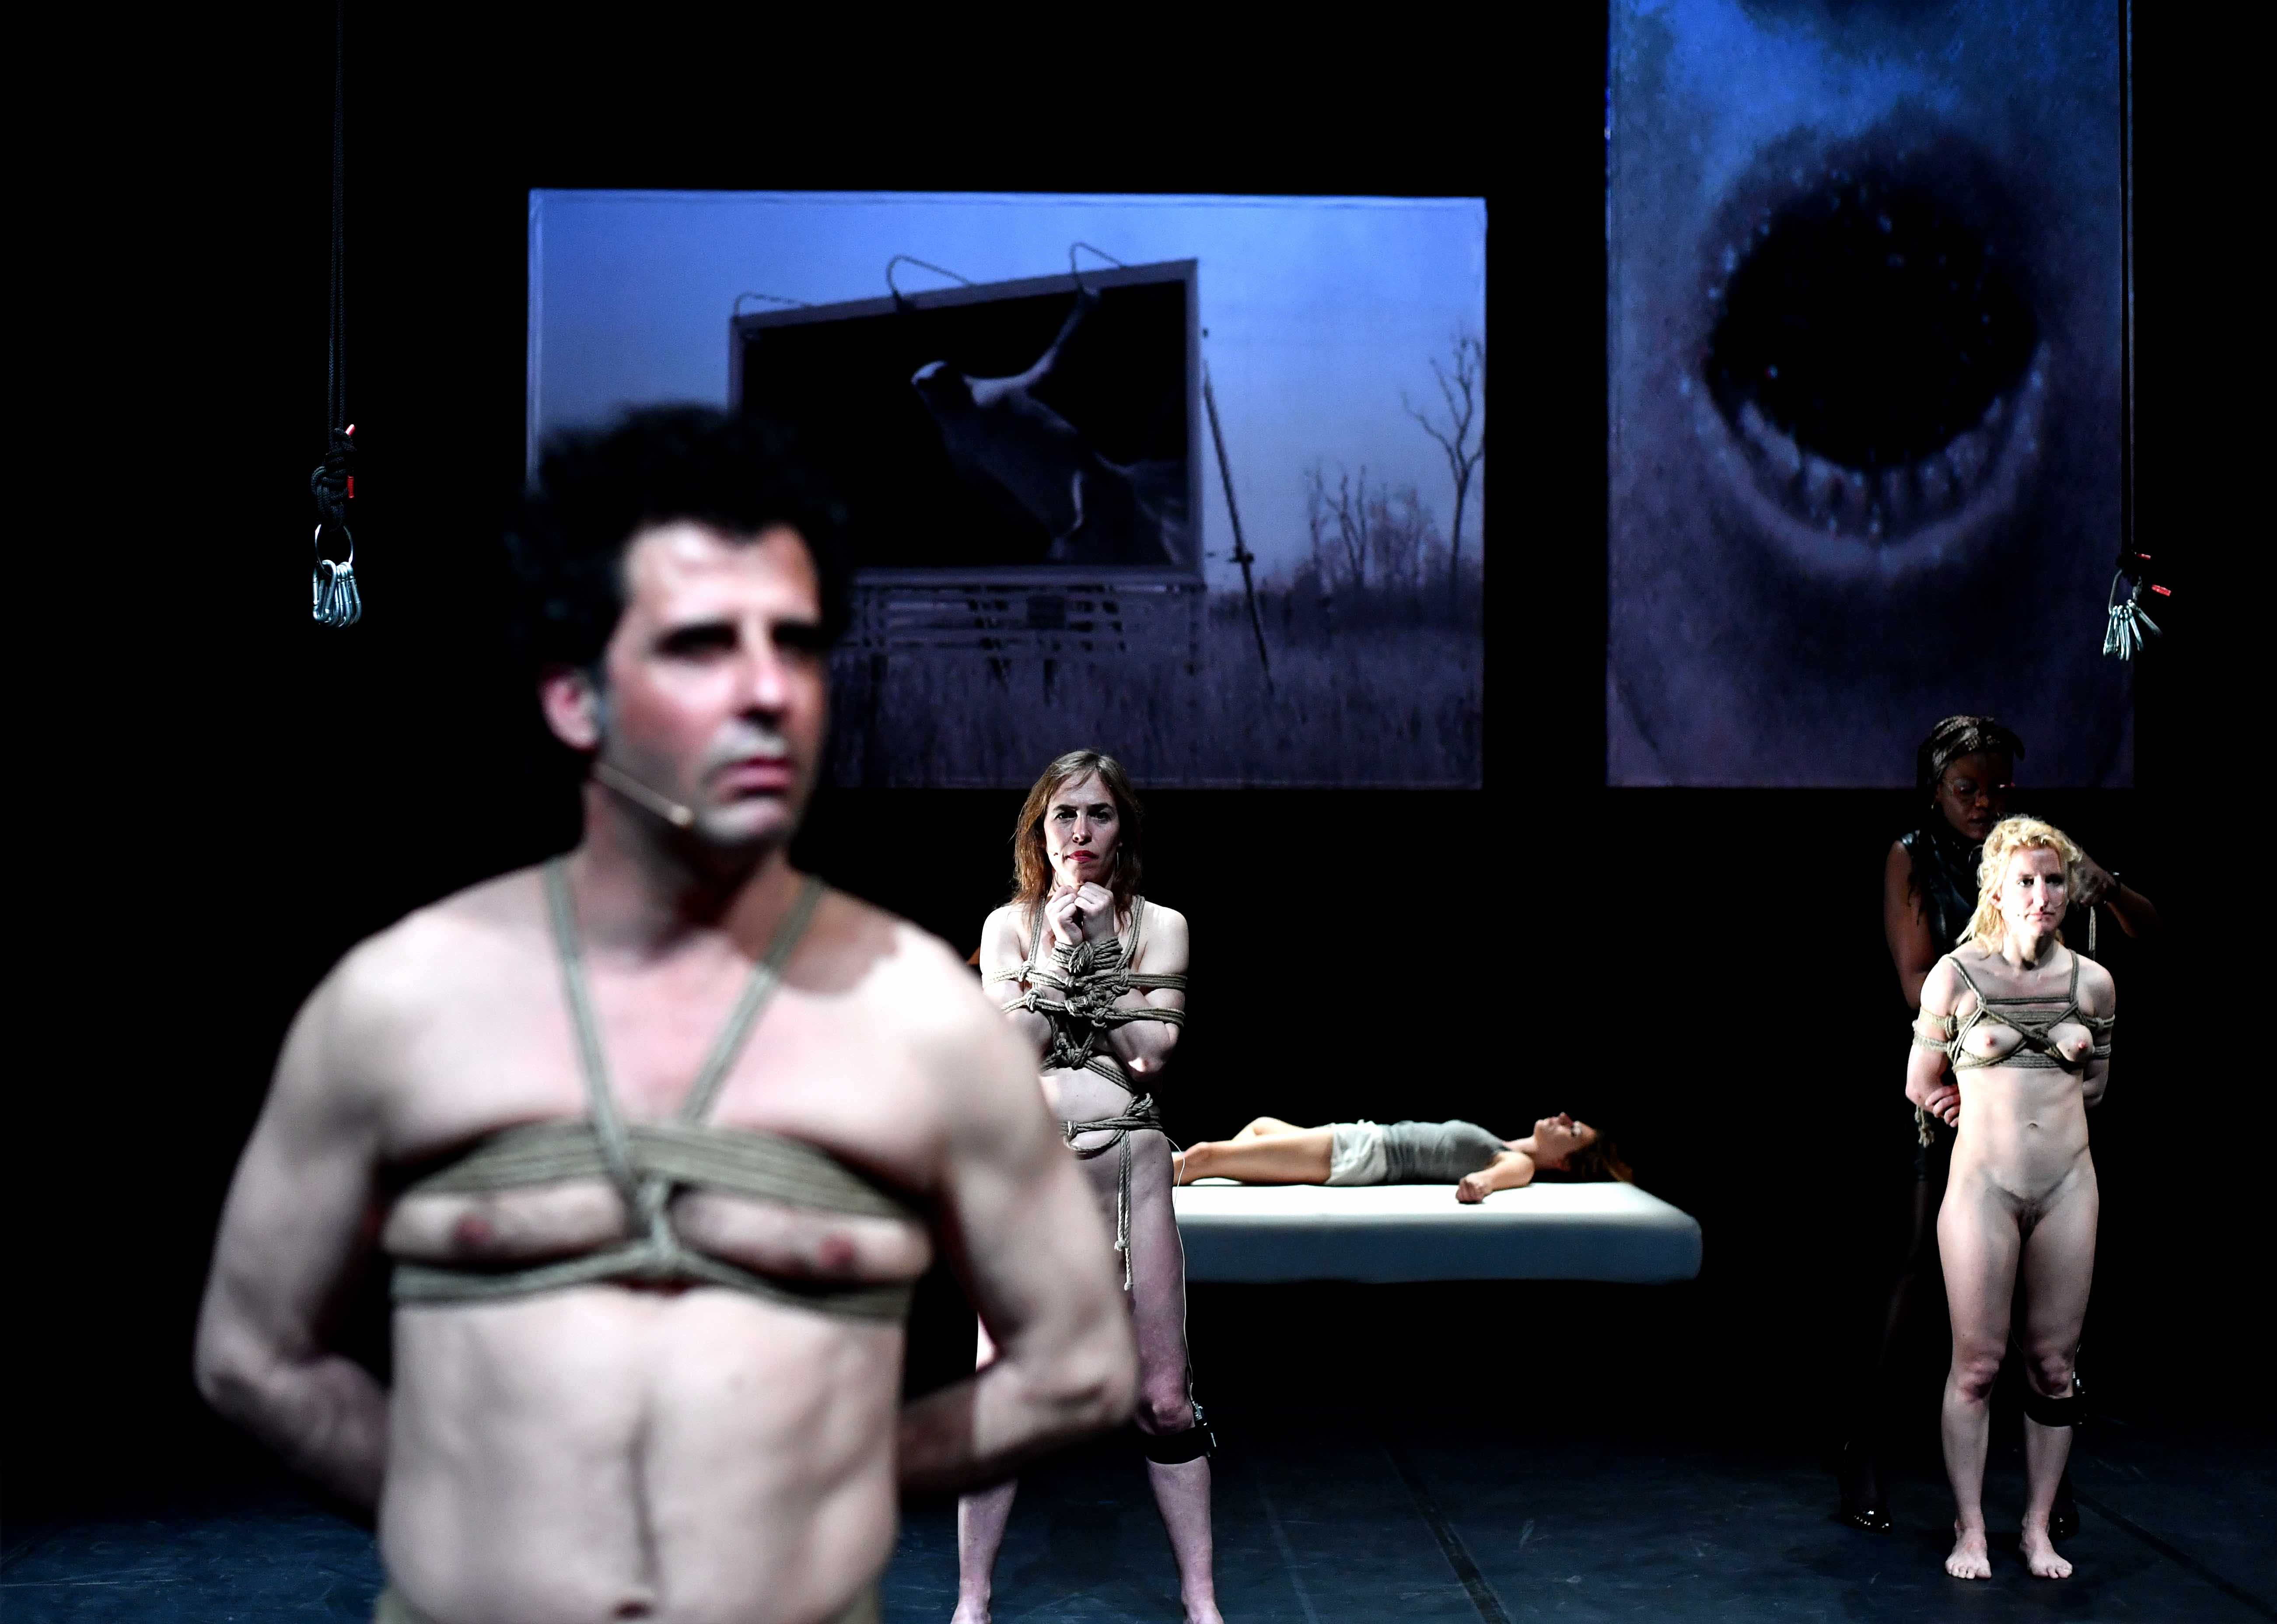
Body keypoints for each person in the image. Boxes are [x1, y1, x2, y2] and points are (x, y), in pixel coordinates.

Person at [192, 407, 1138, 1624]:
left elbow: (1077, 1362)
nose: (765, 692)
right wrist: (461, 1512)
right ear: (575, 697)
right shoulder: (405, 1002)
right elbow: (251, 1350)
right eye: (699, 645)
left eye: (793, 645)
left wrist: (824, 1490)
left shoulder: (918, 1017)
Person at [1840, 715, 2158, 1536]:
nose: (1984, 803)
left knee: (2049, 1305)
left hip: (2037, 1089)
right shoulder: (1913, 855)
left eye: (1997, 788)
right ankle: (1867, 1446)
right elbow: (1917, 977)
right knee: (1922, 1264)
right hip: (1956, 1071)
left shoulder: (2036, 856)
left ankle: (2049, 1480)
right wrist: (1964, 1060)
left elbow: (2144, 931)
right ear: (1935, 790)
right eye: (1967, 789)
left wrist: (2100, 885)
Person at [956, 751, 1209, 1624]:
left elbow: (1154, 1053)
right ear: (1040, 829)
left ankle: (1201, 1598)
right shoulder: (1007, 926)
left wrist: (1099, 948)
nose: (1080, 831)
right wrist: (1063, 954)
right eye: (1064, 814)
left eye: (1099, 814)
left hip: (1128, 1172)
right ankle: (973, 1598)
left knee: (1165, 1399)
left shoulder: (1161, 925)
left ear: (1122, 829)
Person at [1907, 816, 2113, 1581]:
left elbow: (2096, 1086)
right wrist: (1967, 1109)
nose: (2042, 895)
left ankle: (2035, 1526)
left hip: (2067, 1185)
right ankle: (1970, 1529)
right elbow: (1919, 1082)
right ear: (1996, 889)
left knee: (2055, 1365)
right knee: (1977, 1365)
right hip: (1982, 1189)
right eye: (2025, 880)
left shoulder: (2092, 982)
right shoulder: (1956, 976)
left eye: (2054, 880)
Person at [1174, 1113, 1630, 1204]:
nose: (1564, 1118)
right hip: (1360, 1139)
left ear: (1565, 1164)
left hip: (1362, 1154)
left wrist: (1483, 1185)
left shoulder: (1516, 1161)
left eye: (1573, 1131)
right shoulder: (1500, 1144)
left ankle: (1140, 1181)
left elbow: (1504, 1174)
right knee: (1260, 1126)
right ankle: (1209, 1191)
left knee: (1206, 1155)